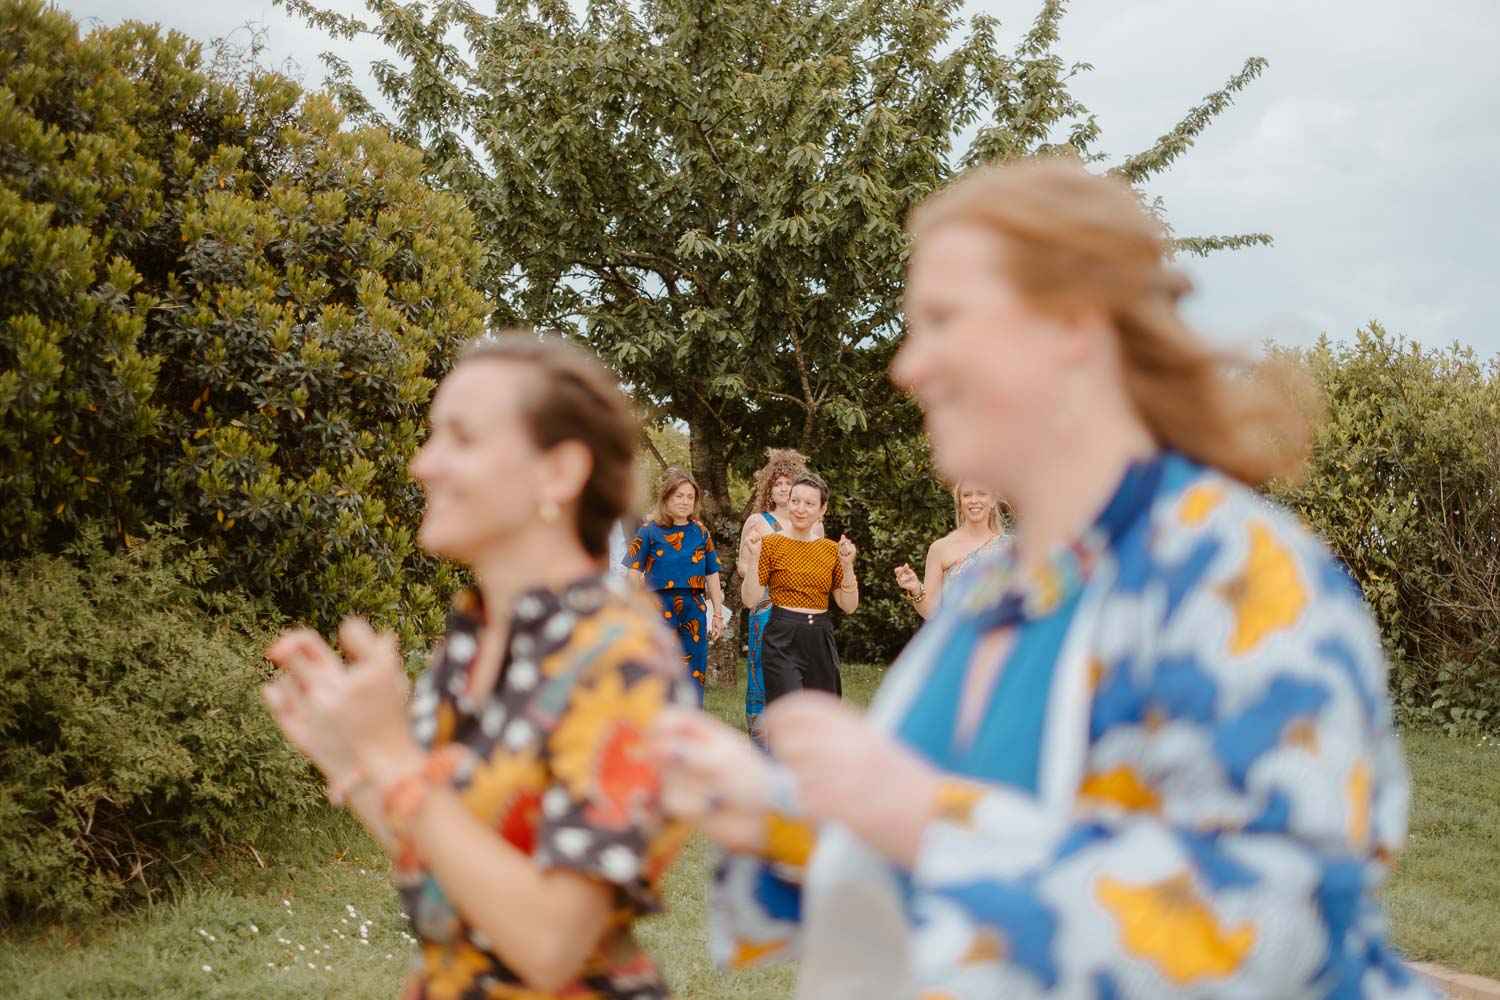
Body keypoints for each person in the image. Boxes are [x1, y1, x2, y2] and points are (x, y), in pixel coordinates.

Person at [653, 159, 1430, 999]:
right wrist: (768, 808)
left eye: (943, 320)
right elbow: (924, 848)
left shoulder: (1235, 575)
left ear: (1072, 326)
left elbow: (1278, 925)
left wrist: (918, 815)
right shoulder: (994, 595)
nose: (907, 369)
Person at [262, 332, 695, 1000]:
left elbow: (552, 945)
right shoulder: (475, 638)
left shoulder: (622, 659)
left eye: (460, 440)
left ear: (557, 472)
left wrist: (394, 756)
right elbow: (452, 857)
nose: (423, 465)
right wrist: (353, 762)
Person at [740, 472, 858, 703]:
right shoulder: (771, 544)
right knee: (789, 714)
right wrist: (754, 559)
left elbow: (849, 606)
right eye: (795, 501)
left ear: (822, 509)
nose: (800, 509)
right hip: (782, 635)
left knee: (822, 716)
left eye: (809, 503)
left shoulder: (830, 549)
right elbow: (750, 600)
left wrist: (847, 566)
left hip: (820, 636)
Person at [737, 448, 819, 748]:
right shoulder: (758, 522)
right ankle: (761, 741)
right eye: (778, 484)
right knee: (761, 671)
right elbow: (743, 565)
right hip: (766, 608)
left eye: (789, 484)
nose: (783, 489)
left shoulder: (813, 525)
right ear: (769, 489)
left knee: (800, 671)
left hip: (804, 610)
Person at [624, 469, 726, 704]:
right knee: (657, 670)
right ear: (667, 498)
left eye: (690, 497)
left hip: (694, 608)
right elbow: (632, 573)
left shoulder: (700, 532)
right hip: (658, 607)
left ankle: (690, 725)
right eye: (679, 496)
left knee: (694, 671)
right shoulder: (649, 530)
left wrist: (718, 615)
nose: (685, 501)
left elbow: (712, 575)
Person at [894, 481, 1007, 620]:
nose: (974, 500)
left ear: (993, 500)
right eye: (967, 495)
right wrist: (916, 589)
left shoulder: (1011, 547)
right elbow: (931, 612)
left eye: (982, 494)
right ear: (959, 501)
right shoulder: (940, 549)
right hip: (957, 638)